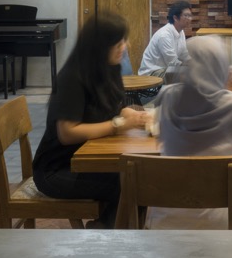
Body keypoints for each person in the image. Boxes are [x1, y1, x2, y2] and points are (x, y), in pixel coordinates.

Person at [33, 12, 150, 227]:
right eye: (118, 43)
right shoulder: (72, 78)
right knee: (130, 184)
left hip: (85, 161)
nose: (124, 47)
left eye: (123, 41)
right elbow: (67, 133)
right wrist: (117, 126)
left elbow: (115, 106)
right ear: (99, 46)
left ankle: (116, 231)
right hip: (57, 169)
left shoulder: (108, 68)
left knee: (139, 176)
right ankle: (104, 234)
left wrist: (129, 113)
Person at [147, 35, 232, 229]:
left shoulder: (167, 96)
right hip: (220, 223)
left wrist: (220, 84)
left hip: (163, 221)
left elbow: (160, 129)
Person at [138, 0, 193, 77]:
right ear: (175, 18)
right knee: (186, 75)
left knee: (194, 72)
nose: (189, 19)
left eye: (190, 15)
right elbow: (172, 63)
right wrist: (190, 68)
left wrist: (195, 63)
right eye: (186, 15)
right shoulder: (164, 35)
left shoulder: (181, 32)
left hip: (165, 69)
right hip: (152, 72)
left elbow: (183, 54)